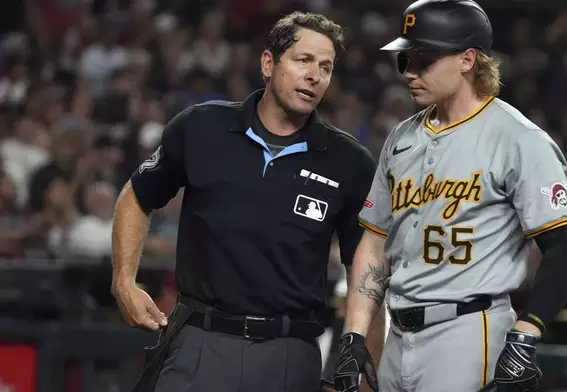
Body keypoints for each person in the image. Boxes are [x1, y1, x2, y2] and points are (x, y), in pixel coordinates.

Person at [111, 11, 385, 392]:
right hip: (198, 341)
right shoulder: (201, 127)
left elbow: (369, 268)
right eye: (303, 60)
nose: (315, 75)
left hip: (290, 353)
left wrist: (363, 363)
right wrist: (124, 281)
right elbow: (137, 196)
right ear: (269, 63)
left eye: (326, 67)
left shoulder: (350, 161)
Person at [332, 1, 567, 391]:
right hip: (397, 333)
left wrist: (527, 330)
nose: (410, 73)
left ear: (468, 60)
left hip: (467, 331)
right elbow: (374, 242)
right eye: (405, 61)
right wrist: (354, 333)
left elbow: (564, 247)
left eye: (423, 60)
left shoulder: (518, 139)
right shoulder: (401, 139)